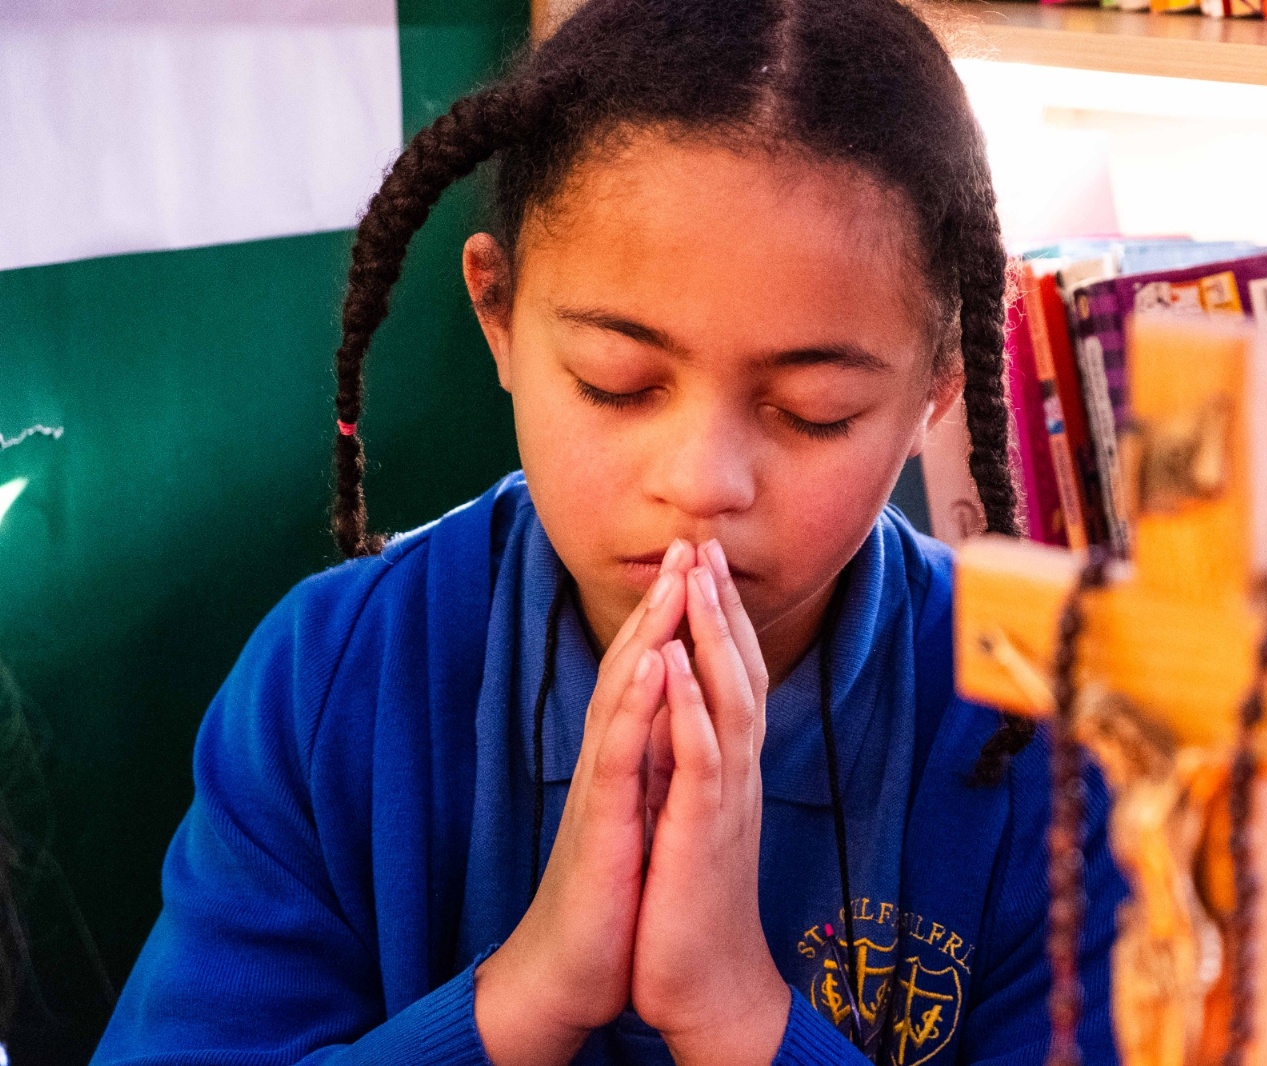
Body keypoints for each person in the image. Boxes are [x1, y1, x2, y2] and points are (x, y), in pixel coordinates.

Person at [91, 1, 1126, 1063]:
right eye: (616, 382)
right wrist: (525, 997)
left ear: (940, 385)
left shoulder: (1051, 734)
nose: (700, 484)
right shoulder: (333, 681)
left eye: (812, 412)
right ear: (497, 314)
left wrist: (738, 1016)